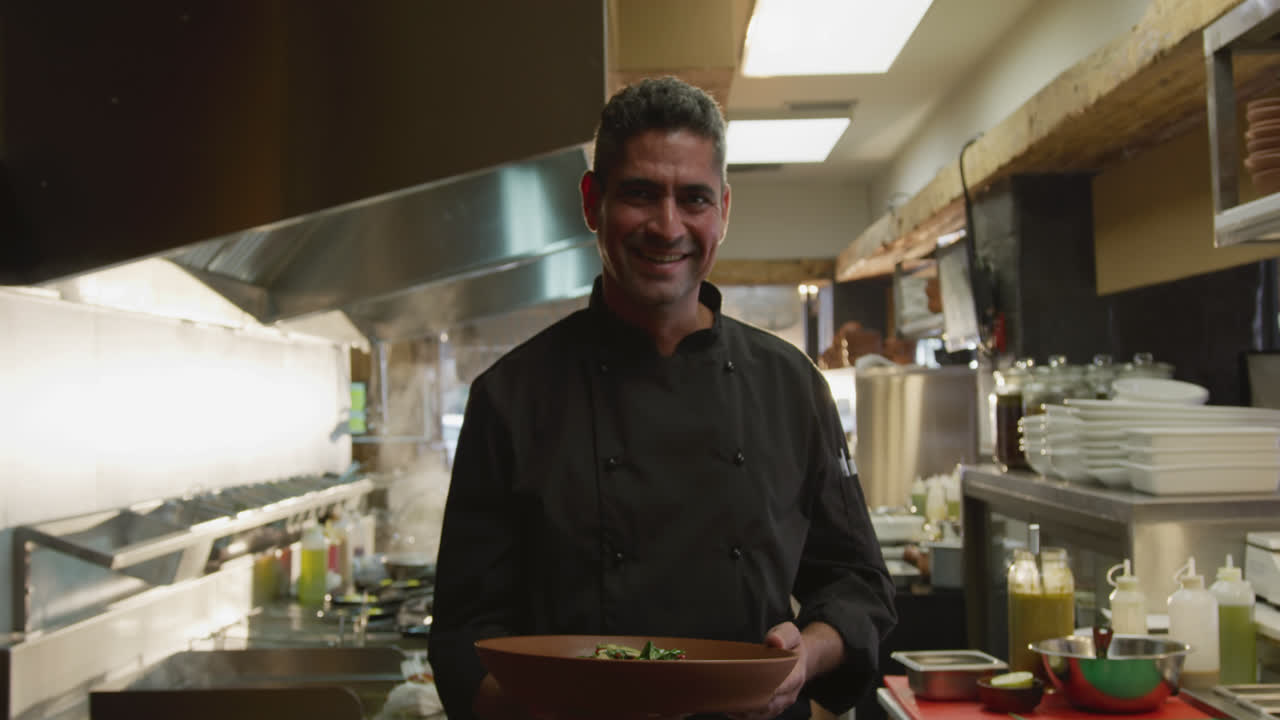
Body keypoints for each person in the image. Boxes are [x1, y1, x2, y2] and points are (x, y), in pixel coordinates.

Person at [428, 76, 896, 720]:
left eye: (694, 198)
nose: (667, 226)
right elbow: (462, 635)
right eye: (641, 194)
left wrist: (805, 657)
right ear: (593, 202)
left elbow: (857, 585)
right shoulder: (509, 398)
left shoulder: (792, 386)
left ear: (723, 212)